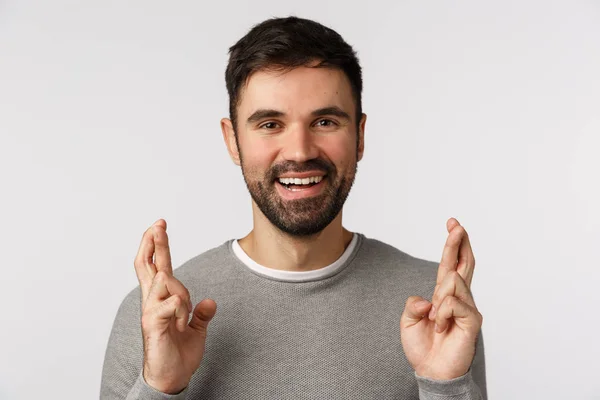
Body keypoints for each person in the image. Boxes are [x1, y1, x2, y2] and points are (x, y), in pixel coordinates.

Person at [100, 16, 487, 399]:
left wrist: (444, 388)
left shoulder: (435, 305)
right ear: (233, 141)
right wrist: (160, 388)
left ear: (360, 136)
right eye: (270, 124)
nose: (300, 151)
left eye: (324, 121)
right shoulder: (155, 315)